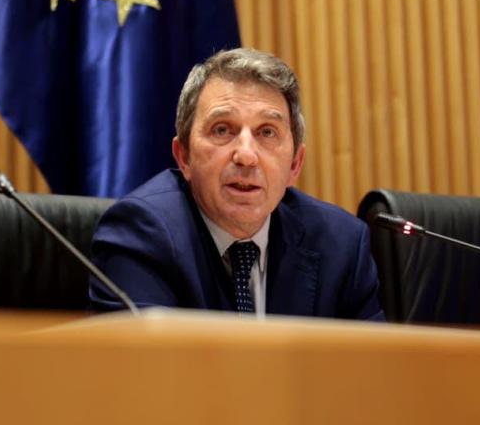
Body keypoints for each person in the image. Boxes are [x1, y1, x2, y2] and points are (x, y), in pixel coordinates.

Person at [89, 48, 383, 319]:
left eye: (267, 132)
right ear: (184, 157)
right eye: (222, 129)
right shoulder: (140, 235)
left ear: (295, 164)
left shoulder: (342, 245)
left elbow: (371, 373)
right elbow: (144, 372)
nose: (246, 155)